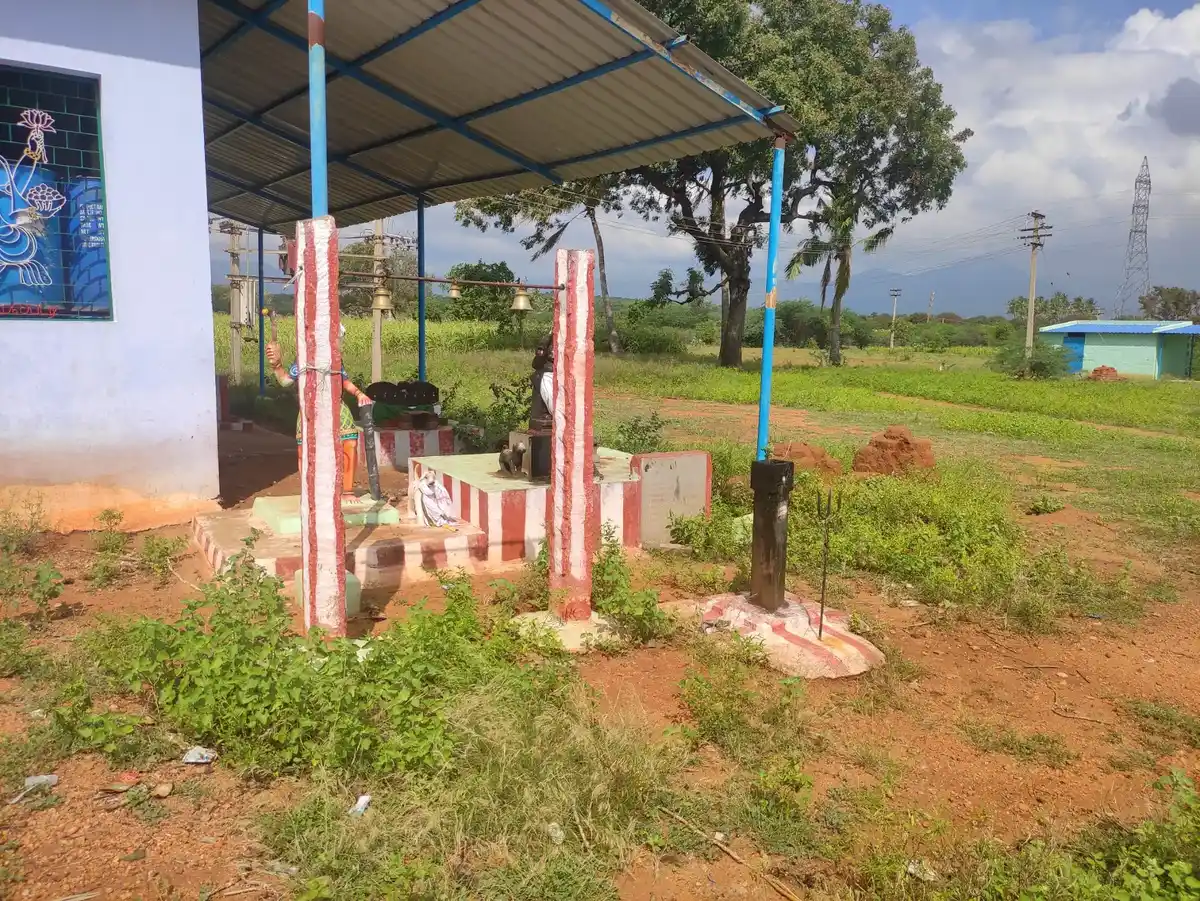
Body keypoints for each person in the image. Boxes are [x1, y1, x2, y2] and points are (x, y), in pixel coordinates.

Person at [265, 325, 371, 500]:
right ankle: (310, 491)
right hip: (309, 409)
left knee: (350, 441)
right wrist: (277, 365)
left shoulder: (335, 360)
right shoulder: (302, 361)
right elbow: (285, 381)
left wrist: (359, 393)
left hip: (335, 406)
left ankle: (347, 490)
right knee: (304, 450)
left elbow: (344, 381)